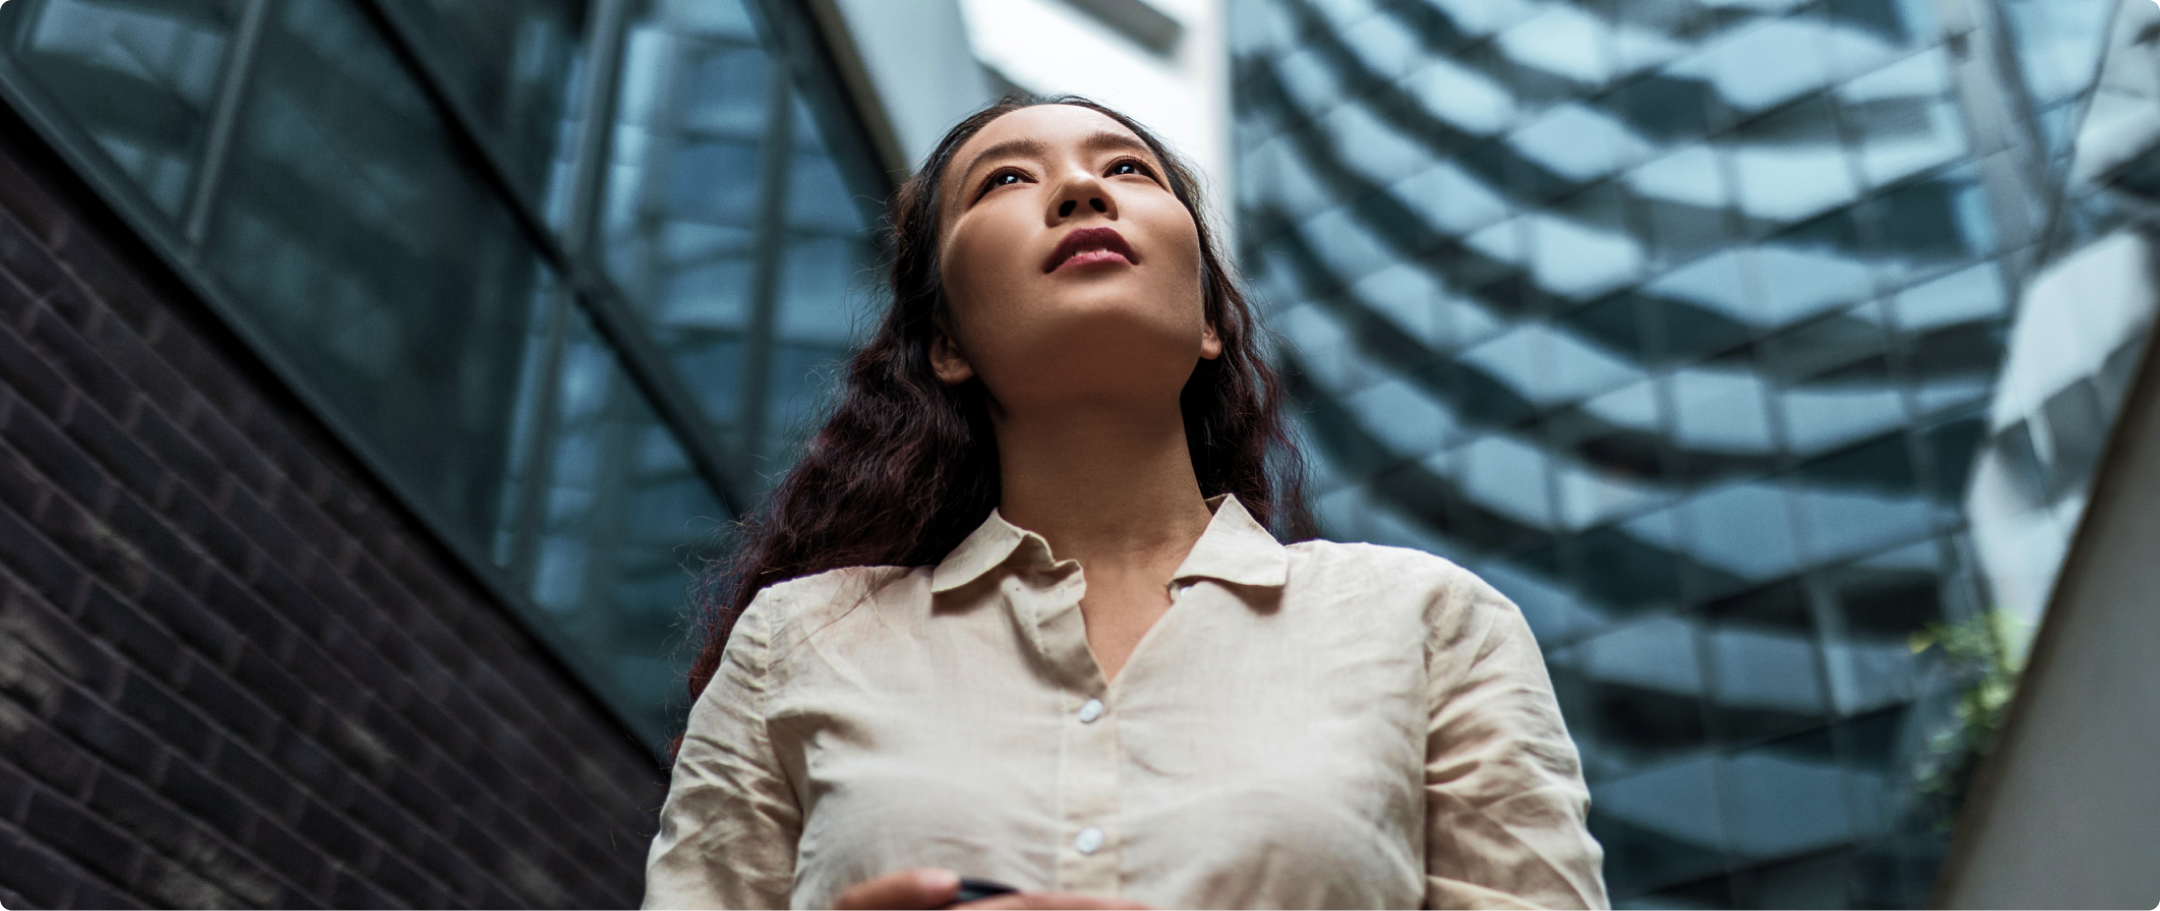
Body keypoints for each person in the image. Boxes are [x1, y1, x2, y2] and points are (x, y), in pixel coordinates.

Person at [641, 96, 1608, 911]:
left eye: (1131, 171)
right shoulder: (795, 644)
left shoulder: (1432, 625)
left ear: (1208, 329)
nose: (1080, 188)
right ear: (948, 344)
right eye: (1006, 181)